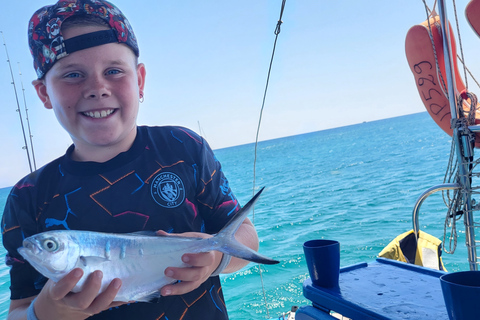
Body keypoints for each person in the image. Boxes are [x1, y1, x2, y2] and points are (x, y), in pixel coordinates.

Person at [2, 1, 260, 319]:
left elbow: (244, 236)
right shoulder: (28, 196)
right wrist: (47, 311)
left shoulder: (183, 148)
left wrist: (214, 259)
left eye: (113, 71)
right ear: (44, 93)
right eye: (72, 75)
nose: (97, 88)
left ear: (139, 80)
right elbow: (18, 309)